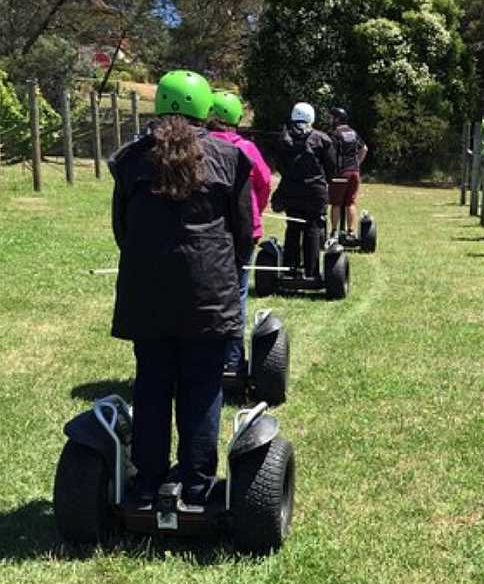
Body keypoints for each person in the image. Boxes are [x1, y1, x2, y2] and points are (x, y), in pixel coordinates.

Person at [109, 70, 253, 507]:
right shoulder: (229, 159)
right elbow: (244, 233)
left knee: (152, 385)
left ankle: (148, 482)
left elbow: (122, 229)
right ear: (203, 108)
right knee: (202, 387)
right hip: (209, 294)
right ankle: (196, 483)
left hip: (147, 295)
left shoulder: (131, 159)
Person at [208, 91, 272, 374]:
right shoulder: (246, 148)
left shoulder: (199, 146)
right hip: (243, 231)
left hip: (208, 233)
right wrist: (256, 210)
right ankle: (232, 359)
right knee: (237, 293)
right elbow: (265, 182)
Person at [270, 102, 336, 278]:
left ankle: (289, 270)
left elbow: (279, 166)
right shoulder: (322, 139)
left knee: (292, 226)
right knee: (312, 228)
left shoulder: (283, 138)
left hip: (290, 190)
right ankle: (311, 272)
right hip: (315, 192)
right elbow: (331, 169)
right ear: (312, 117)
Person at [328, 107, 368, 239]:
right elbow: (364, 149)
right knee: (350, 203)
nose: (330, 120)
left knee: (336, 203)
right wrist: (357, 164)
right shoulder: (353, 133)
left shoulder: (335, 134)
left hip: (341, 174)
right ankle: (351, 232)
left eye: (331, 117)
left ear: (337, 119)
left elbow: (329, 153)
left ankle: (334, 232)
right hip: (354, 173)